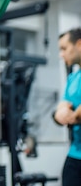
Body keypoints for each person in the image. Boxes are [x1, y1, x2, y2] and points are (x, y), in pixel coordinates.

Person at [54, 28, 81, 186]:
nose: (61, 54)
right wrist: (60, 114)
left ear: (79, 44)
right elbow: (63, 106)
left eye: (64, 48)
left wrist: (75, 116)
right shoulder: (74, 77)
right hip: (75, 155)